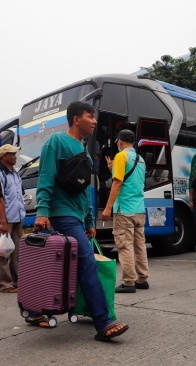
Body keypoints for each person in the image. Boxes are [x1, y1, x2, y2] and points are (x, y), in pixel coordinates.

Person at [35, 101, 128, 341]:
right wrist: (42, 210)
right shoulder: (56, 142)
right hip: (61, 213)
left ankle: (35, 309)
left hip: (77, 215)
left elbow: (86, 190)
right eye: (91, 116)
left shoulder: (85, 151)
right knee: (86, 260)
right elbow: (46, 176)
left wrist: (90, 221)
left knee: (63, 266)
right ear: (76, 119)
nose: (95, 121)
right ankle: (103, 322)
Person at [101, 129, 149, 294]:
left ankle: (129, 282)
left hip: (125, 209)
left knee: (124, 245)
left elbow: (117, 184)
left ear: (120, 141)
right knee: (139, 244)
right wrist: (111, 169)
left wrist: (107, 207)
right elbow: (131, 181)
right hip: (139, 209)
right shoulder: (140, 159)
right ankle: (142, 279)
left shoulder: (121, 156)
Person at [0, 144, 25, 293]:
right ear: (5, 156)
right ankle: (4, 284)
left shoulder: (16, 173)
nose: (15, 156)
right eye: (12, 154)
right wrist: (3, 221)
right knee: (2, 252)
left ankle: (16, 281)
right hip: (5, 219)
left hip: (17, 217)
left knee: (16, 251)